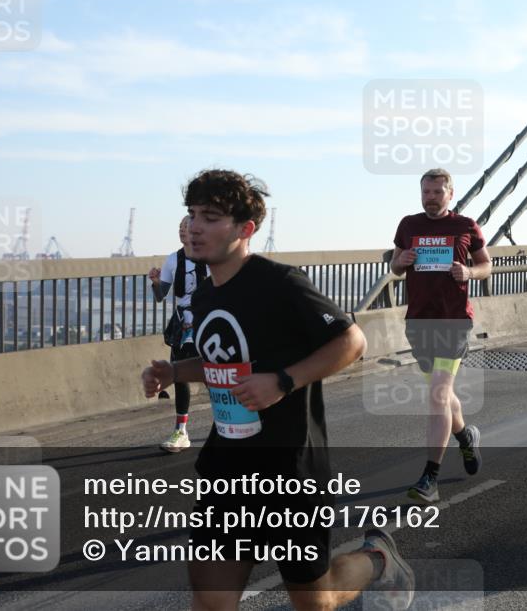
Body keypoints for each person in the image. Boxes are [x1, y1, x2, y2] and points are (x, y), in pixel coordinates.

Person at [141, 170, 414, 611]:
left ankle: (378, 560)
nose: (194, 226)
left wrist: (284, 381)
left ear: (245, 229)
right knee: (210, 600)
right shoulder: (207, 295)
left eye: (210, 217)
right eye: (191, 215)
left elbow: (352, 342)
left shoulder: (281, 283)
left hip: (289, 467)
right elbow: (222, 362)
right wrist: (174, 371)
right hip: (227, 465)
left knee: (316, 600)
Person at [390, 168, 491, 503]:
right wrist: (400, 260)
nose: (430, 198)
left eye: (436, 192)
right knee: (443, 396)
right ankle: (465, 437)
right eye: (425, 192)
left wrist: (469, 271)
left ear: (450, 193)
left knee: (436, 396)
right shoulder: (408, 225)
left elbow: (486, 264)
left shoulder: (465, 226)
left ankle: (429, 477)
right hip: (418, 321)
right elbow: (395, 266)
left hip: (453, 321)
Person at [148, 216, 208, 453]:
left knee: (216, 374)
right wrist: (155, 282)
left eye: (188, 227)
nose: (184, 232)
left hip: (208, 321)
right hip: (184, 325)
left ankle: (236, 425)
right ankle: (181, 431)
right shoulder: (174, 259)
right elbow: (161, 294)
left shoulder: (211, 257)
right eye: (180, 228)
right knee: (180, 374)